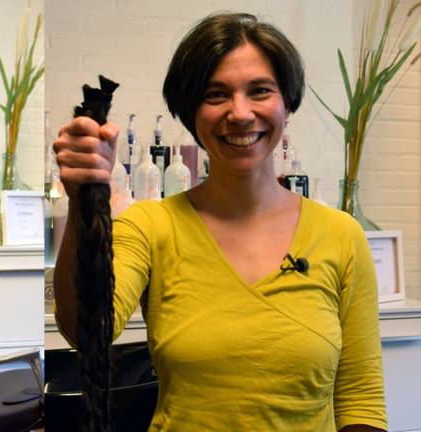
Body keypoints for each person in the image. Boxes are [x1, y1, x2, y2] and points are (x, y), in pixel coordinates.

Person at [53, 13, 386, 432]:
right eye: (216, 95)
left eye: (260, 91)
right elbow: (87, 330)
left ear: (287, 101)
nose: (240, 113)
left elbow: (361, 397)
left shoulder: (340, 234)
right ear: (191, 111)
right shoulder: (152, 225)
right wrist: (85, 201)